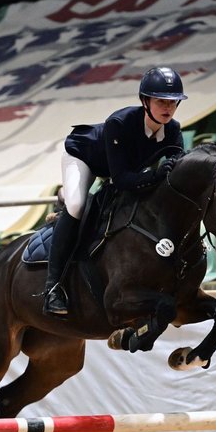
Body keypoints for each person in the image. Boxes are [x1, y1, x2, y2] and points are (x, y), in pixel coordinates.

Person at [43, 66, 188, 317]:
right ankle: (52, 287)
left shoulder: (173, 130)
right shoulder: (119, 123)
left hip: (122, 169)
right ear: (145, 101)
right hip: (85, 157)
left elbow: (175, 172)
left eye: (173, 103)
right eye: (160, 101)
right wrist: (156, 174)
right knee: (77, 205)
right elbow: (121, 179)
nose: (167, 108)